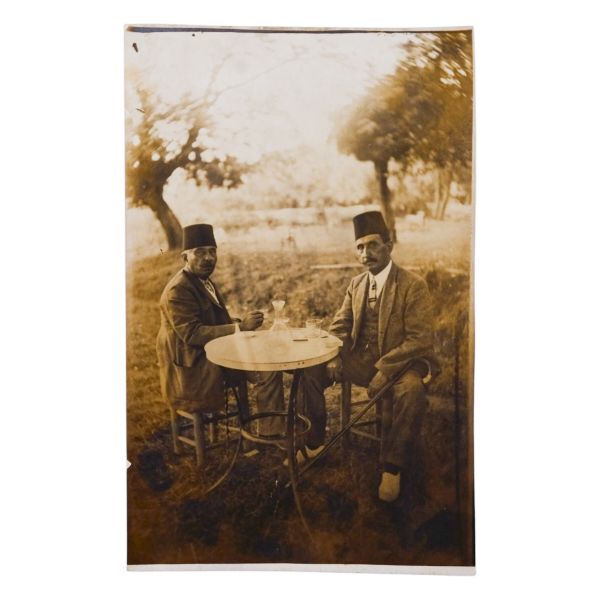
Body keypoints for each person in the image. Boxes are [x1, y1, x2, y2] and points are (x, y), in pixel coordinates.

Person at [301, 211, 439, 502]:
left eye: (373, 245)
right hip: (360, 361)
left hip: (401, 363)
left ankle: (392, 468)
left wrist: (385, 370)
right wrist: (335, 355)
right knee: (310, 370)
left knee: (412, 391)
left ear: (389, 246)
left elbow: (420, 339)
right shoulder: (357, 284)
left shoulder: (413, 285)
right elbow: (340, 325)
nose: (366, 253)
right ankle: (314, 442)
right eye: (360, 247)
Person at [156, 223, 283, 436]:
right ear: (185, 257)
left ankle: (270, 431)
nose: (208, 258)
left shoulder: (202, 281)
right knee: (266, 369)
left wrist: (239, 323)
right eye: (200, 252)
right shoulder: (178, 290)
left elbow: (211, 321)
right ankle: (271, 433)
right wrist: (240, 327)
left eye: (212, 252)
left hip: (211, 354)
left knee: (269, 365)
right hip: (194, 366)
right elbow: (193, 334)